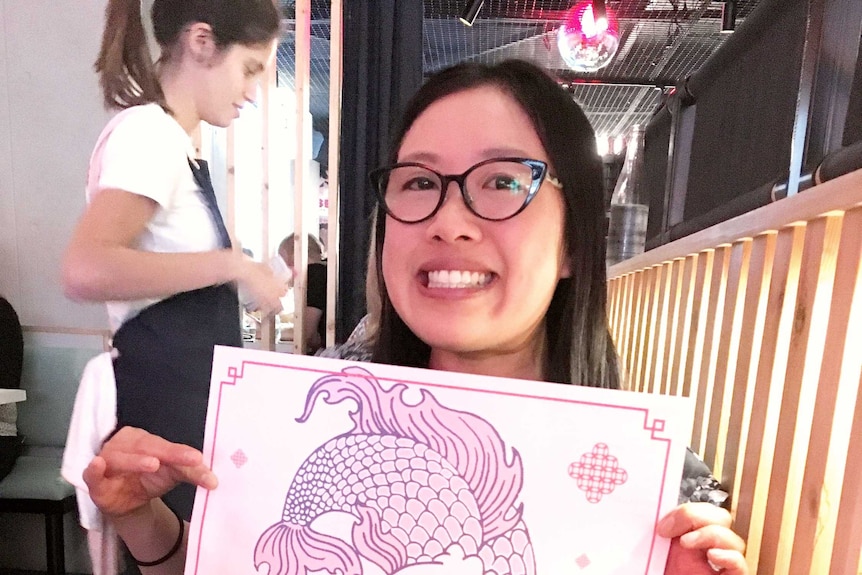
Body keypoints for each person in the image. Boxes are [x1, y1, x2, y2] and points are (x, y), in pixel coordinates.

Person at [81, 59, 747, 574]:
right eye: (420, 183)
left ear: (575, 241)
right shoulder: (313, 404)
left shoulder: (655, 484)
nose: (449, 222)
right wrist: (144, 518)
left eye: (503, 182)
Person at [61, 0, 286, 528]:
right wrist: (230, 264)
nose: (252, 92)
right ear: (201, 42)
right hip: (162, 402)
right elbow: (85, 269)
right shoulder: (149, 135)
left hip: (181, 398)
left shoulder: (175, 143)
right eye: (250, 69)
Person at [277, 233, 327, 353]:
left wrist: (275, 332)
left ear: (295, 257)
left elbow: (306, 333)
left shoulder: (314, 274)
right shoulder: (326, 271)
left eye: (280, 260)